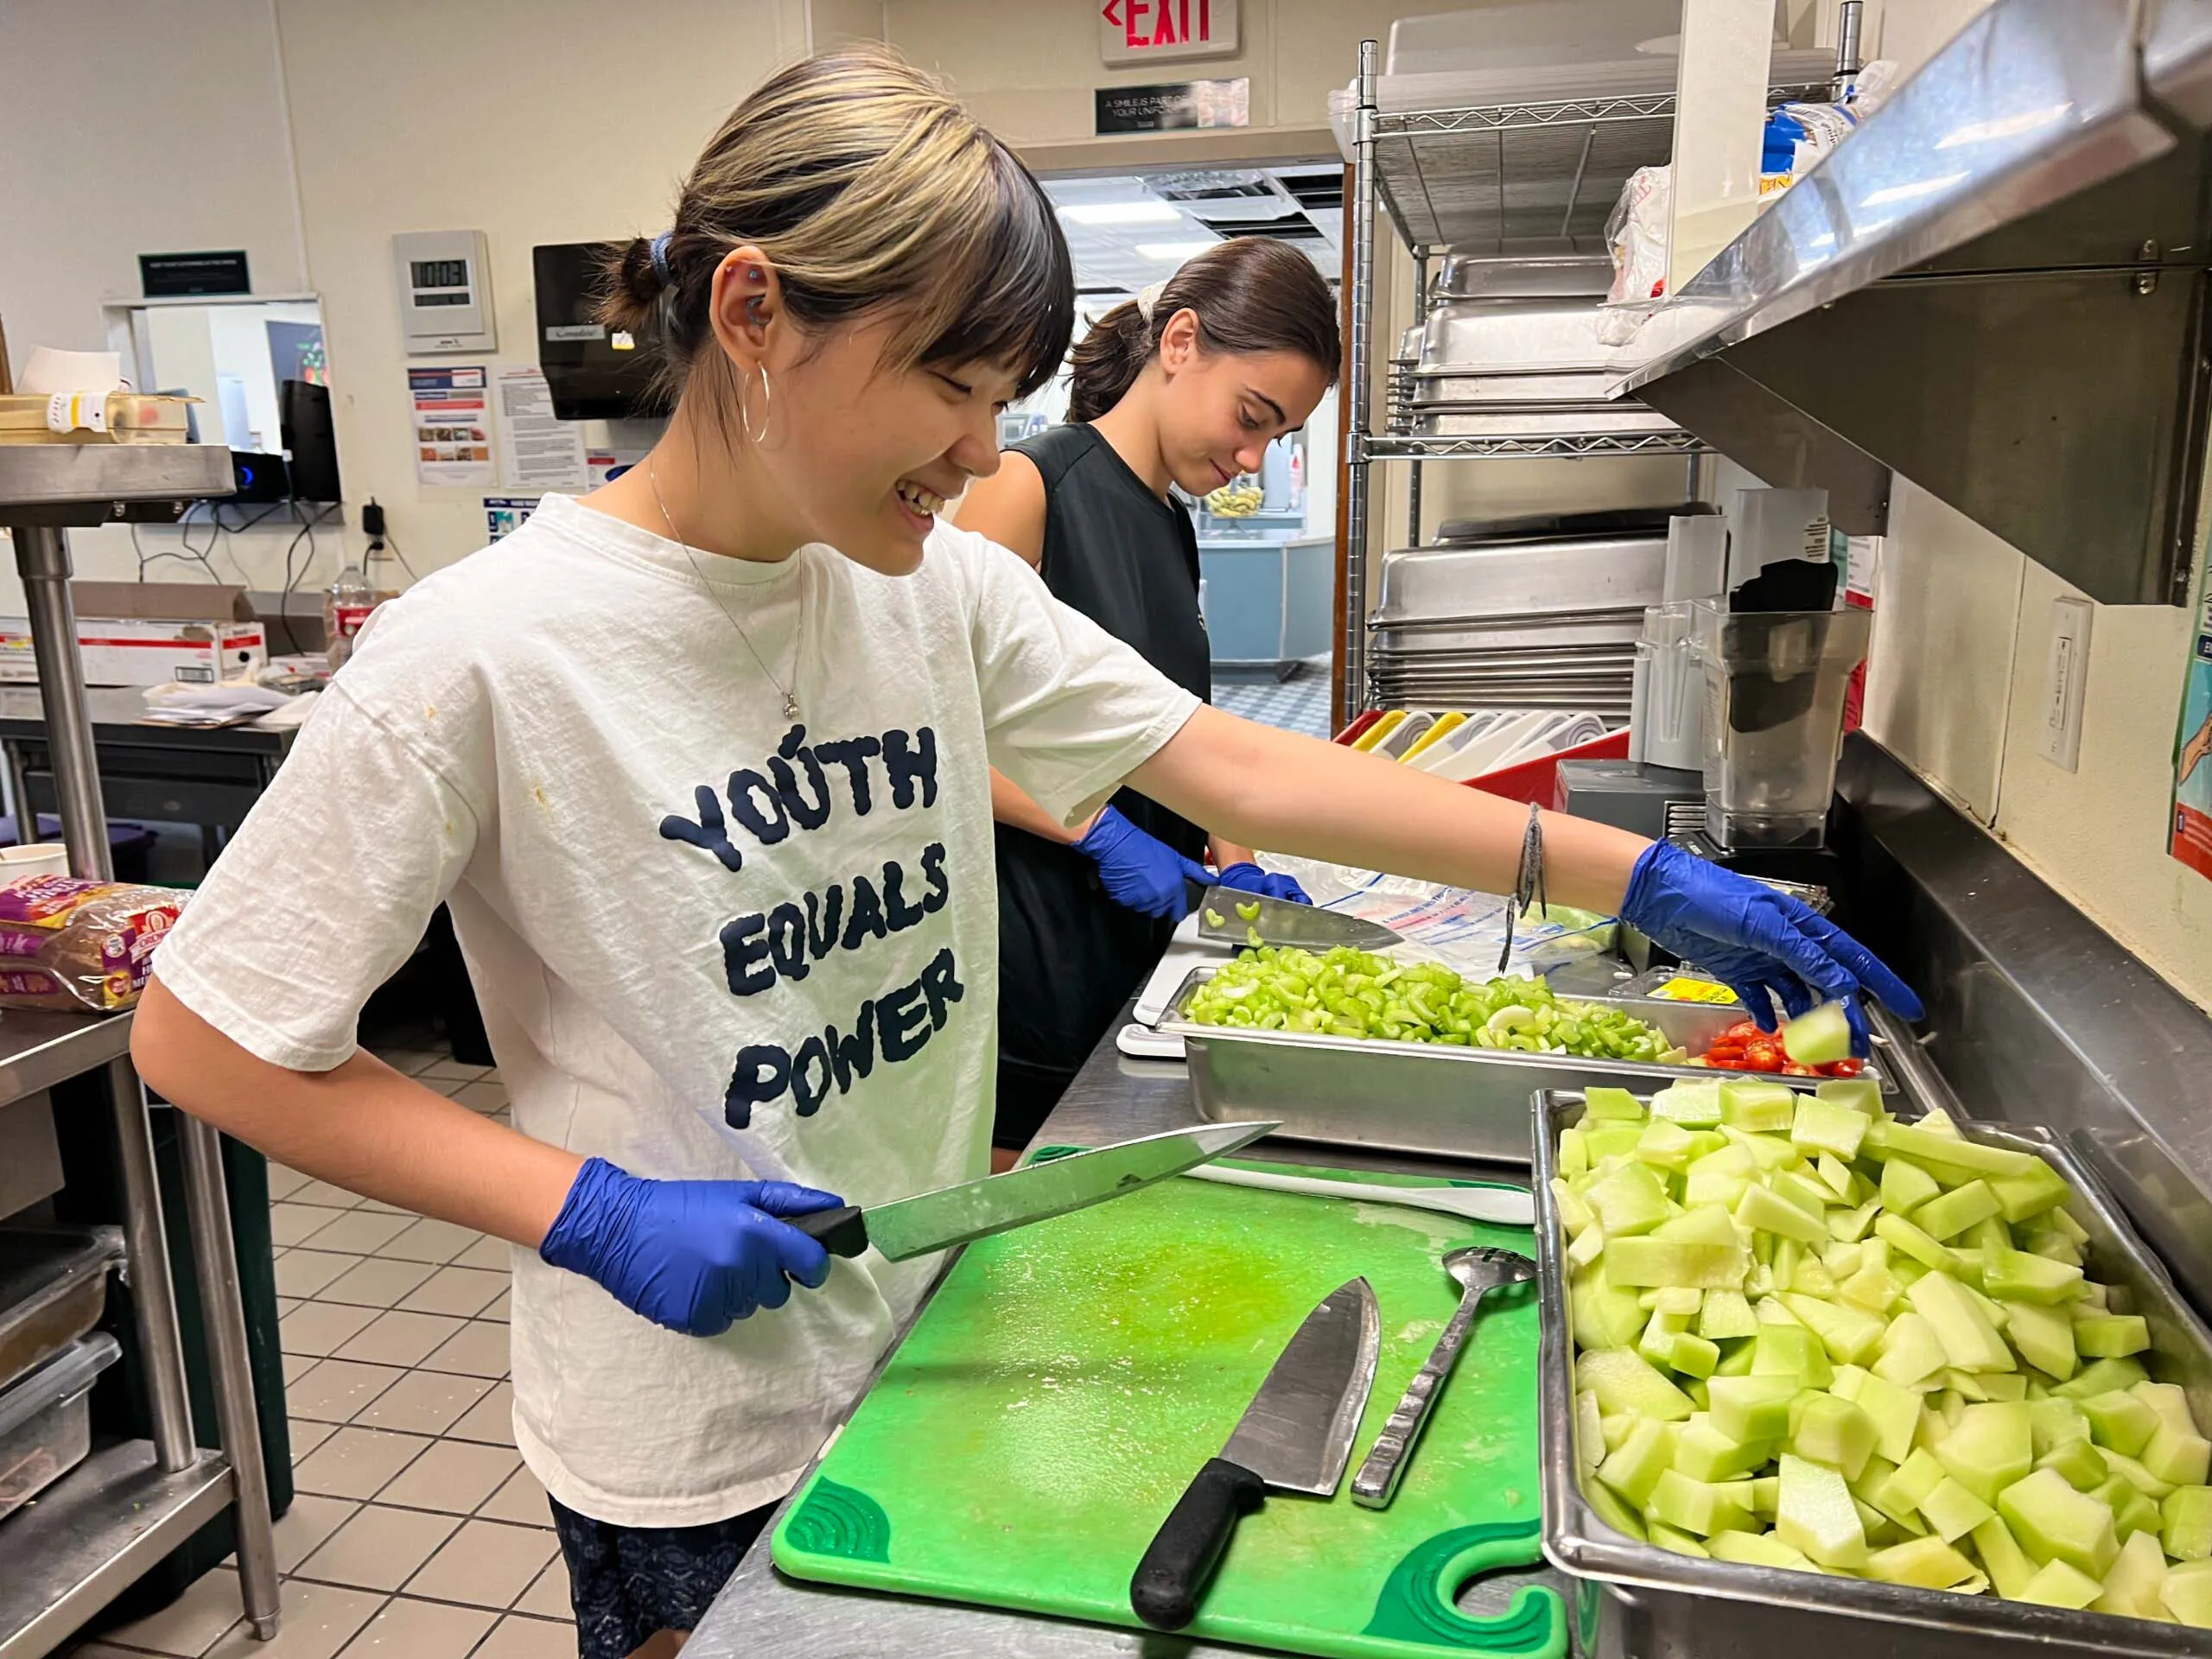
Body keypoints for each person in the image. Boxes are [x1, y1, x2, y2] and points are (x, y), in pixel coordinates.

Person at [130, 43, 1923, 1659]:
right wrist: (584, 1210)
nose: (983, 450)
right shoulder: (484, 649)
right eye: (946, 388)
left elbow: (1234, 772)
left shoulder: (938, 591)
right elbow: (203, 1037)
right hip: (684, 1416)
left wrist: (1637, 880)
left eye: (1001, 397)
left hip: (932, 1322)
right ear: (751, 312)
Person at [956, 238, 1338, 1153]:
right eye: (1252, 416)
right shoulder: (1028, 487)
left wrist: (1233, 855)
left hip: (1140, 951)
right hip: (1036, 958)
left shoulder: (1170, 522)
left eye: (1278, 437)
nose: (1253, 457)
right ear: (1179, 342)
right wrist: (1096, 826)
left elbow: (1172, 721)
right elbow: (933, 741)